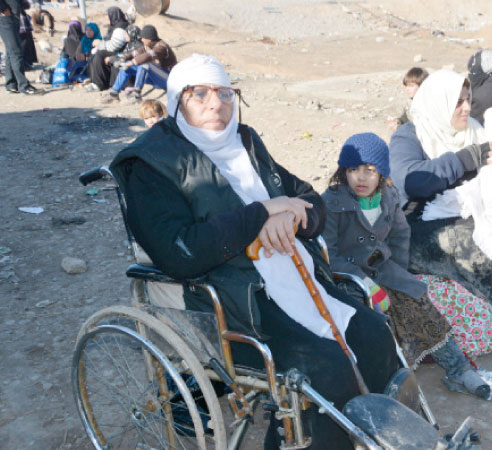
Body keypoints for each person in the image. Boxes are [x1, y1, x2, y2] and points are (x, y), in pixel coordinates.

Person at [109, 54, 399, 450]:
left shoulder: (244, 141)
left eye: (225, 92)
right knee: (326, 368)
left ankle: (373, 434)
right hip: (232, 299)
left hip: (295, 277)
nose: (217, 104)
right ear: (177, 101)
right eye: (200, 94)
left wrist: (293, 214)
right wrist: (261, 213)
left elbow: (308, 198)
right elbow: (179, 252)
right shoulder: (149, 163)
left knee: (374, 334)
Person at [322, 133, 492, 399]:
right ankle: (381, 382)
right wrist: (367, 284)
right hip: (346, 278)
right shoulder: (332, 202)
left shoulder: (388, 197)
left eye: (370, 171)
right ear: (343, 171)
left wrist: (398, 274)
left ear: (381, 173)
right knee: (372, 322)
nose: (361, 177)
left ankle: (458, 368)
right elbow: (328, 253)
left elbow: (400, 236)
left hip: (383, 269)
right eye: (353, 169)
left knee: (419, 302)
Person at [389, 69, 492, 330]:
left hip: (467, 210)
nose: (466, 108)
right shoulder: (411, 135)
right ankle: (469, 316)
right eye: (458, 102)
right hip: (419, 218)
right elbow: (410, 180)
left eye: (468, 100)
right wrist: (463, 160)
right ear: (438, 102)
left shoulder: (477, 132)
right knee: (463, 240)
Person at [101, 24, 176, 103]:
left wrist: (130, 63)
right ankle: (114, 93)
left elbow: (148, 56)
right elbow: (136, 52)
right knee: (127, 67)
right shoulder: (148, 45)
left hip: (167, 79)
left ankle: (136, 95)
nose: (142, 40)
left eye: (143, 38)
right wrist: (123, 59)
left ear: (149, 40)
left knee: (145, 64)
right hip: (155, 77)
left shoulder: (161, 47)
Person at [0, 0, 41, 94]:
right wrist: (3, 9)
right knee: (16, 52)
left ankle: (11, 84)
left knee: (11, 51)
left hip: (12, 16)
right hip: (6, 17)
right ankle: (24, 86)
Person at [85, 6, 129, 91]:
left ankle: (99, 84)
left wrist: (100, 44)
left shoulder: (120, 27)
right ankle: (94, 80)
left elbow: (115, 46)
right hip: (115, 50)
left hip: (121, 52)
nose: (106, 19)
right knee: (93, 53)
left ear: (114, 16)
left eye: (107, 16)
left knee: (99, 54)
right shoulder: (114, 26)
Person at [387, 67, 428, 133]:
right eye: (406, 86)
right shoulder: (411, 102)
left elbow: (420, 131)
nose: (407, 89)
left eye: (411, 86)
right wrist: (398, 121)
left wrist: (398, 128)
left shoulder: (427, 106)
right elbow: (406, 117)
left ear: (422, 86)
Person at [17, 0, 36, 70]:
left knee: (27, 43)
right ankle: (23, 64)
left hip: (22, 22)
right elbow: (25, 5)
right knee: (23, 44)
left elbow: (27, 5)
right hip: (19, 22)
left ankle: (26, 63)